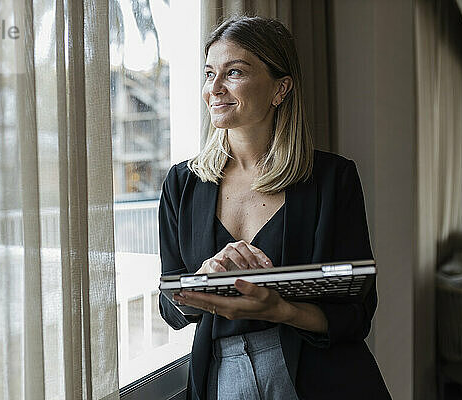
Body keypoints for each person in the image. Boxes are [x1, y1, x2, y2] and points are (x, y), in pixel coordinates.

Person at [158, 15, 391, 400]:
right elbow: (170, 307)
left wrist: (281, 310)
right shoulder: (181, 184)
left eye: (233, 73)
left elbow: (356, 314)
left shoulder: (333, 179)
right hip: (220, 377)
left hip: (318, 378)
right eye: (209, 73)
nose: (213, 88)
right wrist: (201, 280)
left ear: (280, 89)